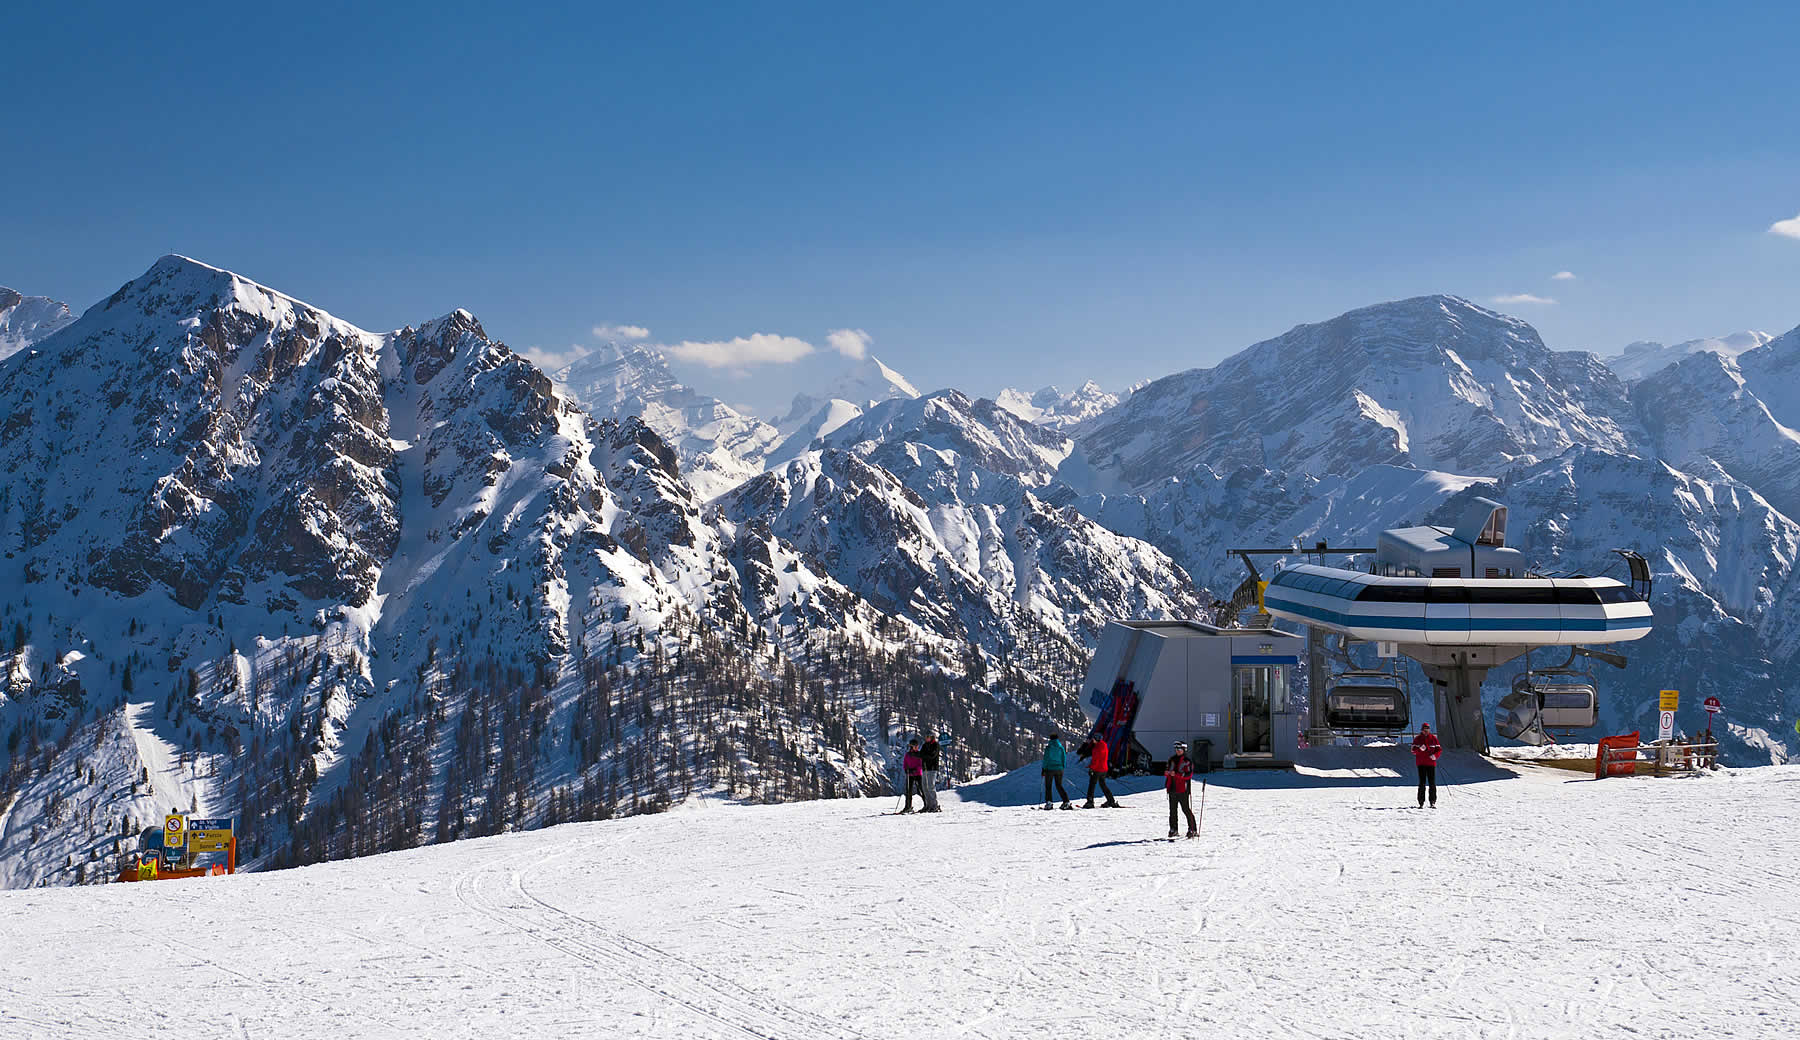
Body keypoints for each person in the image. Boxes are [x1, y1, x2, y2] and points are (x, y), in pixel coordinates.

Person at [1165, 741, 1197, 837]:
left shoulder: (1187, 761)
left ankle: (1192, 829)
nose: (1177, 751)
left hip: (1183, 789)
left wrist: (1177, 775)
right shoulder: (1172, 759)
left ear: (1184, 750)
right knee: (1172, 810)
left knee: (1185, 809)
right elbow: (1167, 770)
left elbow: (1189, 775)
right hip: (1172, 788)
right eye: (1176, 749)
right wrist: (1167, 773)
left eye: (1179, 749)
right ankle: (1173, 829)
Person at [1081, 734, 1120, 809]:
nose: (1093, 740)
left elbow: (1096, 760)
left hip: (1097, 769)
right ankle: (1111, 800)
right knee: (1103, 785)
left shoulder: (1097, 748)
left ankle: (1090, 802)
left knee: (1092, 785)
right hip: (1104, 769)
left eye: (1094, 739)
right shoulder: (1104, 746)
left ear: (1097, 739)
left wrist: (1091, 768)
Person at [1412, 723, 1442, 808]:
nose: (1426, 731)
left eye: (1427, 729)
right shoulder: (1417, 739)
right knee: (1422, 783)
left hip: (1431, 764)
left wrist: (1435, 756)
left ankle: (1432, 801)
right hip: (1421, 764)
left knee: (1432, 783)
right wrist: (1419, 749)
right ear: (1422, 730)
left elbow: (1439, 750)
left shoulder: (1433, 738)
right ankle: (1421, 802)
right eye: (1424, 730)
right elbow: (1413, 751)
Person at [1042, 732, 1073, 810]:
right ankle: (1066, 801)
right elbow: (1064, 758)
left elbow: (1045, 759)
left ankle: (1049, 803)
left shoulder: (1048, 748)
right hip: (1059, 769)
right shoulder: (1061, 747)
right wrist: (1062, 767)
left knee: (1048, 786)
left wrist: (1043, 769)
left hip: (1049, 769)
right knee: (1059, 785)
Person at [919, 732, 942, 813]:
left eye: (928, 736)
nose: (926, 738)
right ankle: (928, 805)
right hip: (925, 768)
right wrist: (924, 756)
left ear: (932, 737)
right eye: (926, 736)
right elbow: (920, 754)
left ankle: (934, 805)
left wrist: (924, 756)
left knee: (930, 786)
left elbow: (932, 755)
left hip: (932, 768)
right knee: (924, 787)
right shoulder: (925, 745)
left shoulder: (935, 745)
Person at [901, 739, 925, 814]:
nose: (916, 747)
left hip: (917, 774)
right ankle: (908, 806)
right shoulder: (907, 754)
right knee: (908, 791)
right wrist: (906, 769)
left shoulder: (919, 754)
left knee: (920, 790)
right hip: (910, 774)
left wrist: (915, 770)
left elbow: (920, 764)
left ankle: (926, 804)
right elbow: (905, 763)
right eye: (915, 746)